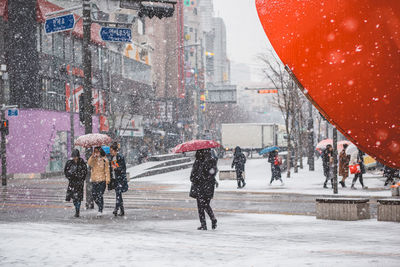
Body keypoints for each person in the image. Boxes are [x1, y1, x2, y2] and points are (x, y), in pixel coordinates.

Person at [190, 149, 218, 230]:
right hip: (209, 187)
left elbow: (193, 176)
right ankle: (213, 219)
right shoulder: (212, 160)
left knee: (201, 206)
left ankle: (204, 224)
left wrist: (196, 178)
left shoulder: (198, 161)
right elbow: (213, 172)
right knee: (206, 205)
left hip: (201, 187)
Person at [64, 149, 88, 218]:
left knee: (78, 198)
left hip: (79, 183)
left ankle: (77, 211)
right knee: (74, 198)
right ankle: (76, 209)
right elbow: (66, 171)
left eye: (76, 156)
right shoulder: (69, 162)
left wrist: (80, 177)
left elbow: (85, 171)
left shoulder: (82, 162)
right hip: (72, 182)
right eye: (74, 156)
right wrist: (70, 176)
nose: (75, 158)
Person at [88, 147, 110, 216]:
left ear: (100, 152)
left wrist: (107, 179)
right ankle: (100, 205)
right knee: (94, 195)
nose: (96, 153)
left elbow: (107, 170)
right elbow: (89, 164)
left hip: (102, 180)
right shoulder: (93, 159)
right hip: (94, 180)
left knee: (100, 195)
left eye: (97, 151)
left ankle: (100, 209)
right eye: (95, 151)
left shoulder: (104, 160)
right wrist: (92, 156)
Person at [110, 143, 129, 216]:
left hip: (120, 179)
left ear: (115, 150)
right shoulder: (112, 157)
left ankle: (116, 209)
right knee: (119, 194)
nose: (110, 152)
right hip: (115, 179)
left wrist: (116, 168)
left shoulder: (120, 157)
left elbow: (123, 168)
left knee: (118, 194)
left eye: (111, 150)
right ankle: (122, 210)